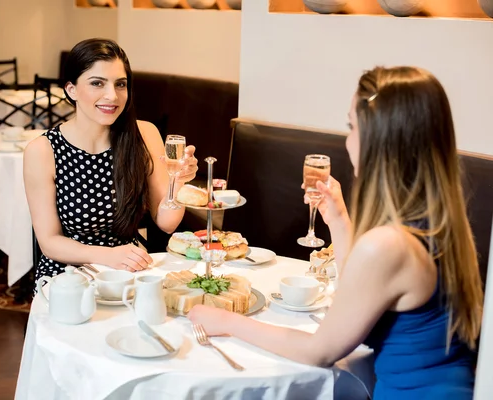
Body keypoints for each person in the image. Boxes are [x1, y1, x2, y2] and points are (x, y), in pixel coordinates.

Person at [188, 66, 483, 399]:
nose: (348, 140)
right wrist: (339, 219)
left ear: (377, 140)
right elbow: (361, 293)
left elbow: (320, 350)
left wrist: (227, 322)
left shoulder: (389, 244)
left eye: (351, 126)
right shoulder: (436, 223)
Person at [24, 38, 198, 284]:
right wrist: (108, 256)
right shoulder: (43, 150)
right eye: (97, 83)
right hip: (68, 275)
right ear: (71, 89)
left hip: (128, 269)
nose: (112, 96)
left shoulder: (144, 134)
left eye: (120, 84)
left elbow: (167, 224)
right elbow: (50, 242)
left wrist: (177, 182)